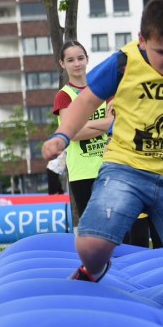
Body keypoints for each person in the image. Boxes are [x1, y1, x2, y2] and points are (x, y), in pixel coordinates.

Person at [42, 0, 163, 300]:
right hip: (127, 169)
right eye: (161, 52)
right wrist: (62, 136)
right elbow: (87, 100)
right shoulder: (124, 62)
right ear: (143, 41)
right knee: (90, 245)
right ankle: (94, 269)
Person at [52, 40, 113, 220]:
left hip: (111, 167)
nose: (77, 63)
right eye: (70, 60)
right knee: (92, 229)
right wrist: (106, 125)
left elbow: (117, 123)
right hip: (82, 173)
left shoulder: (104, 90)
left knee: (117, 227)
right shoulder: (64, 96)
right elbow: (73, 133)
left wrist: (83, 125)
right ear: (62, 64)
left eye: (80, 58)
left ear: (87, 59)